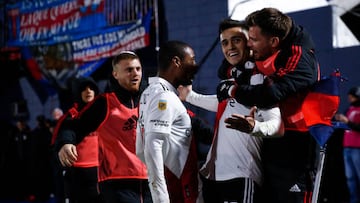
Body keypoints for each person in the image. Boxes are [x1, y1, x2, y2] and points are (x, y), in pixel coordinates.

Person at [216, 8, 320, 203]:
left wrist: (233, 90)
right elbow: (228, 68)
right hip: (270, 144)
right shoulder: (271, 49)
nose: (248, 44)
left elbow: (269, 94)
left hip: (296, 147)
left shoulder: (300, 58)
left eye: (253, 40)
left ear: (274, 42)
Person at [178, 19, 283, 203]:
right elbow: (226, 104)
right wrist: (191, 96)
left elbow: (277, 125)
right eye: (225, 42)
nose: (230, 47)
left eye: (236, 40)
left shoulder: (260, 80)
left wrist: (254, 127)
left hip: (241, 176)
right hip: (212, 176)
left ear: (249, 42)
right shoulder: (232, 78)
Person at [55, 51, 152, 203]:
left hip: (151, 180)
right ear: (115, 74)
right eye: (129, 70)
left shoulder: (152, 99)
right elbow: (73, 125)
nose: (135, 73)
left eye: (138, 69)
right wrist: (66, 142)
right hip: (117, 183)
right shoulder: (104, 103)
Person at [136, 40, 201, 203]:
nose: (195, 65)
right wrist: (161, 197)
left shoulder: (149, 93)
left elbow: (140, 149)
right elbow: (151, 146)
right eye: (191, 60)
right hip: (180, 189)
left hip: (176, 184)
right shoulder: (163, 97)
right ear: (176, 62)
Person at [53, 76, 103, 203]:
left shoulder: (104, 115)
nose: (88, 91)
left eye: (91, 88)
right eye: (84, 89)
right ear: (77, 93)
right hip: (76, 172)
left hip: (100, 172)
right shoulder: (70, 117)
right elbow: (65, 133)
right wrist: (65, 142)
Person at [334, 86, 360, 203]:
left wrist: (347, 121)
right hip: (347, 147)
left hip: (357, 148)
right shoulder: (350, 109)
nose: (349, 99)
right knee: (350, 178)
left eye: (351, 97)